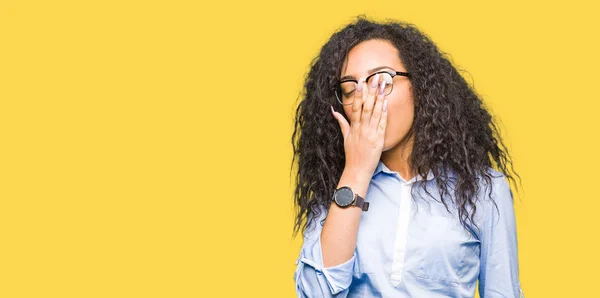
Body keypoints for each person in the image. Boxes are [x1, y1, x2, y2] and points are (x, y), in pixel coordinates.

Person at [290, 16, 525, 298]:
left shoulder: (484, 191)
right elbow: (314, 293)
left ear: (420, 87)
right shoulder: (335, 184)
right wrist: (356, 171)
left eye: (382, 81)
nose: (366, 101)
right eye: (350, 89)